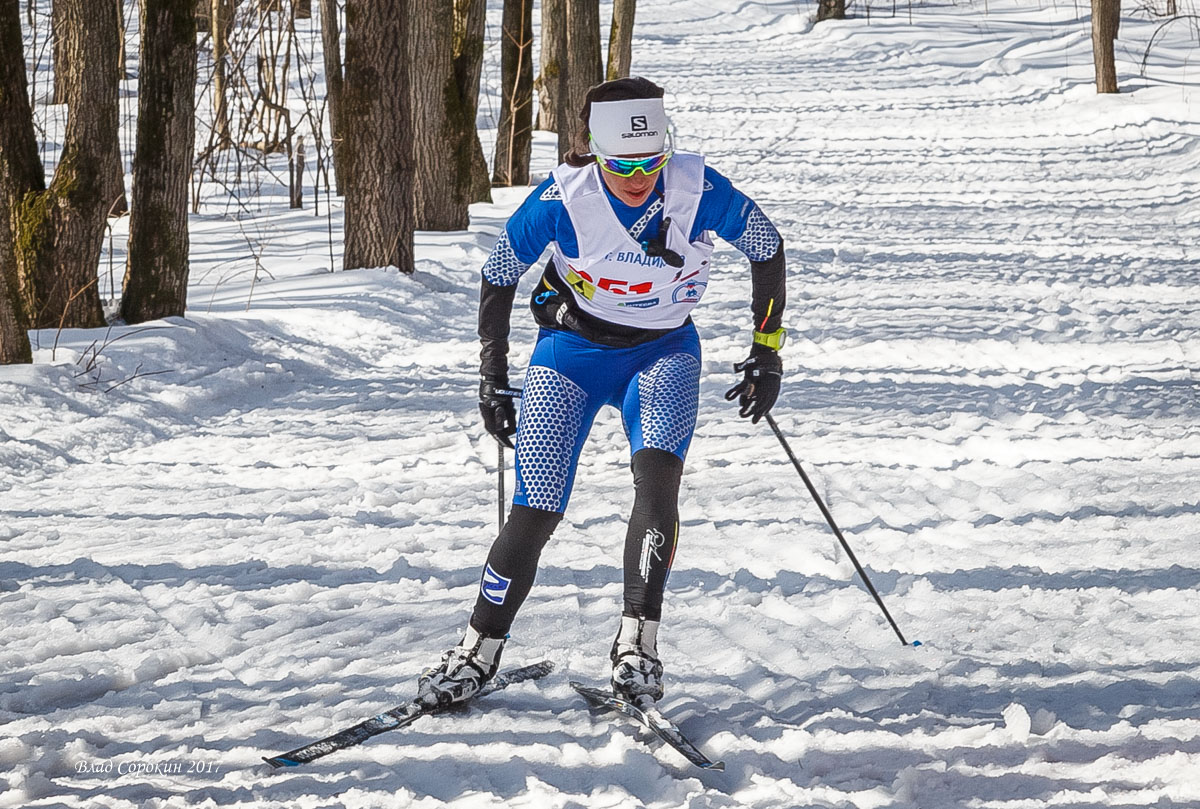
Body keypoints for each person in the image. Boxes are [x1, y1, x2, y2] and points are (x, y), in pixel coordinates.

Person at [418, 76, 787, 707]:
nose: (640, 177)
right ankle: (478, 650)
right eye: (622, 164)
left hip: (664, 352)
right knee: (536, 508)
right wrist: (491, 377)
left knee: (658, 485)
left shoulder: (697, 188)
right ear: (594, 152)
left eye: (651, 161)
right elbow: (498, 273)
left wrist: (767, 352)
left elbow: (767, 246)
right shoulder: (561, 202)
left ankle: (637, 646)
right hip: (572, 358)